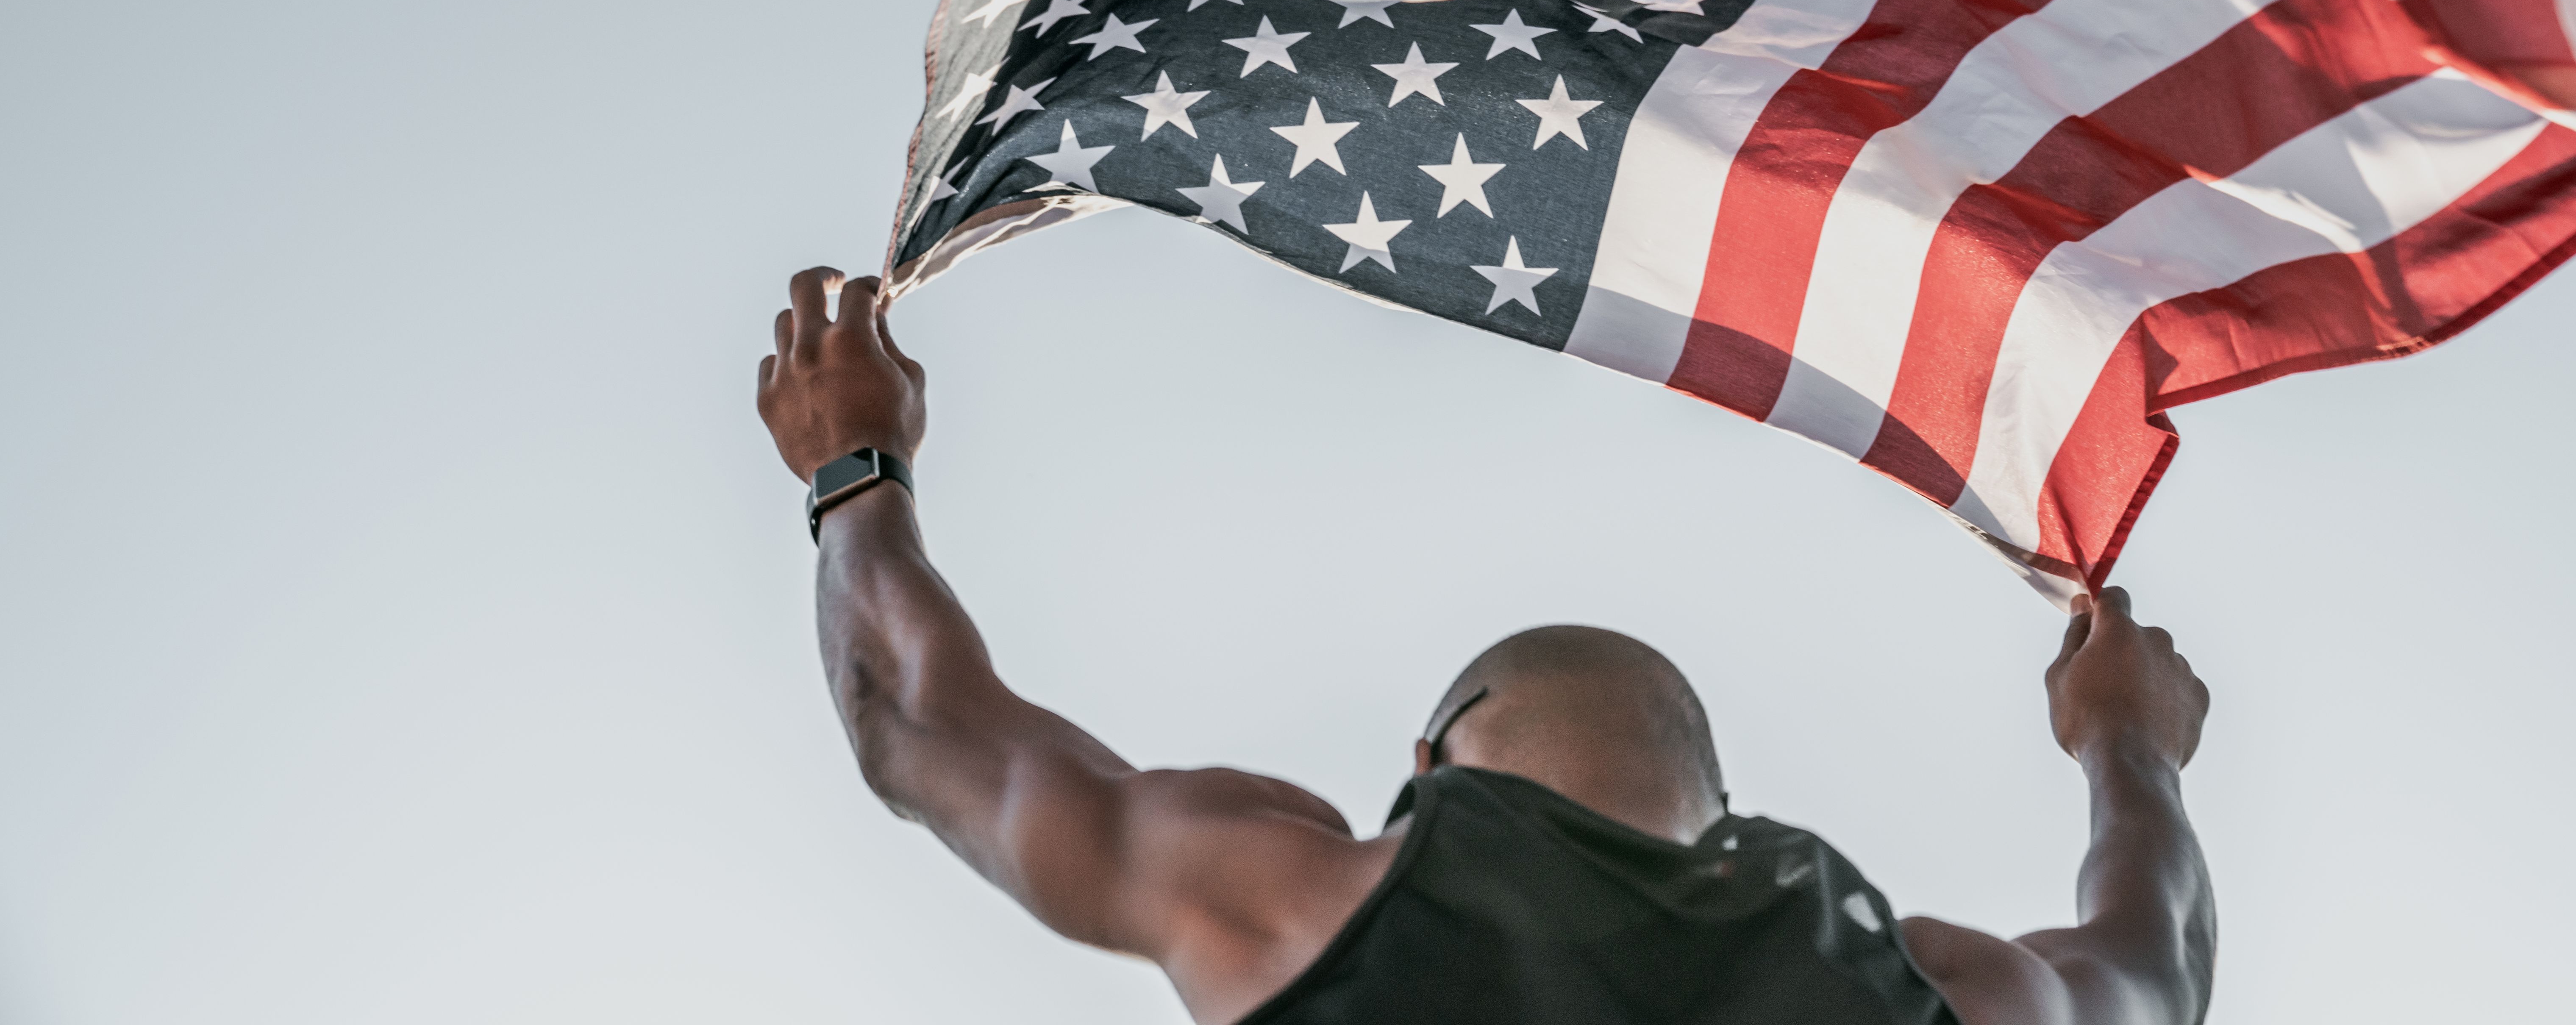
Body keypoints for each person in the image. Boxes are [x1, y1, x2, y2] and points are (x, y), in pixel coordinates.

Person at [758, 269, 2216, 1025]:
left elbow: (913, 725)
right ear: (1715, 792)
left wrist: (853, 470)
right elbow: (2154, 971)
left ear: (1428, 765)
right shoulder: (1919, 987)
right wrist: (2124, 744)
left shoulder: (1293, 901)